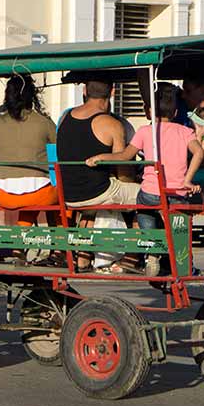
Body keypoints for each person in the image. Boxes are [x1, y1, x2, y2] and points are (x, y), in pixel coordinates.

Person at [87, 84, 203, 274]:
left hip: (150, 192)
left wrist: (101, 157)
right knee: (178, 230)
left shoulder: (144, 131)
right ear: (174, 112)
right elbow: (199, 152)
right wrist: (188, 180)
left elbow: (125, 155)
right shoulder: (185, 131)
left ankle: (151, 254)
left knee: (145, 212)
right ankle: (184, 264)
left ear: (150, 111)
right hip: (177, 193)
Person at [57, 80, 140, 271]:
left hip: (67, 194)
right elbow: (124, 172)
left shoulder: (65, 118)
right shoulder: (112, 124)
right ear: (112, 91)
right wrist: (133, 181)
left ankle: (84, 257)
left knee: (98, 191)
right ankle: (133, 255)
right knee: (146, 195)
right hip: (97, 192)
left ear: (85, 90)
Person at [0, 74, 59, 228]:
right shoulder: (44, 122)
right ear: (32, 96)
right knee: (62, 192)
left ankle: (21, 236)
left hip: (3, 195)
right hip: (39, 193)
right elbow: (62, 150)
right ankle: (61, 243)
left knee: (31, 197)